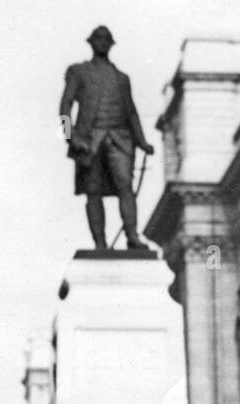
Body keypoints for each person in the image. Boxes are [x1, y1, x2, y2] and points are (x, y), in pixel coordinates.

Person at [59, 25, 155, 251]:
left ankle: (132, 236)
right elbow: (65, 105)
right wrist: (69, 136)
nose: (102, 43)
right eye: (98, 39)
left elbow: (131, 112)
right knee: (93, 192)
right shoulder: (78, 71)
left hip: (121, 138)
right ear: (91, 42)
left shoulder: (122, 78)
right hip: (89, 140)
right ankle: (99, 243)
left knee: (125, 187)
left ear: (111, 44)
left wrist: (141, 141)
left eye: (106, 39)